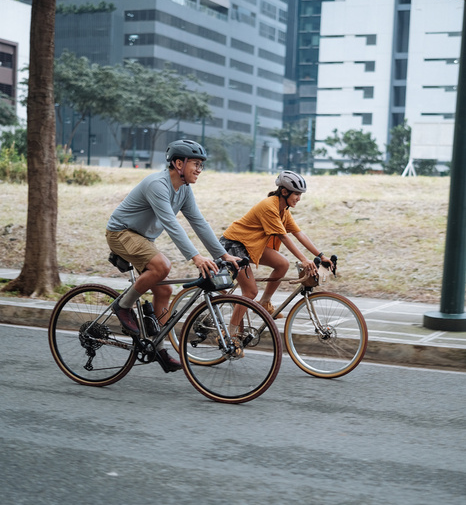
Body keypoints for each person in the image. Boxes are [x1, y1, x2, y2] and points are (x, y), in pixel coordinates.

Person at [106, 139, 238, 372]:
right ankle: (123, 306)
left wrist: (223, 255)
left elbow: (198, 222)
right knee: (161, 267)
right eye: (195, 164)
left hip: (142, 238)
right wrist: (196, 257)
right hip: (121, 233)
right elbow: (170, 224)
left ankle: (159, 348)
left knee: (165, 289)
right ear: (179, 163)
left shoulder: (184, 190)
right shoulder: (158, 184)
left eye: (201, 165)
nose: (199, 169)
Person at [219, 170, 333, 318]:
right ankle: (231, 335)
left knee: (282, 264)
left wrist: (321, 256)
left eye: (300, 195)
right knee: (250, 292)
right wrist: (304, 260)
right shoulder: (269, 206)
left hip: (251, 245)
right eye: (296, 194)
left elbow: (299, 233)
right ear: (284, 192)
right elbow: (284, 237)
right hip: (233, 245)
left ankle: (264, 302)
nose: (299, 198)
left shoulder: (283, 211)